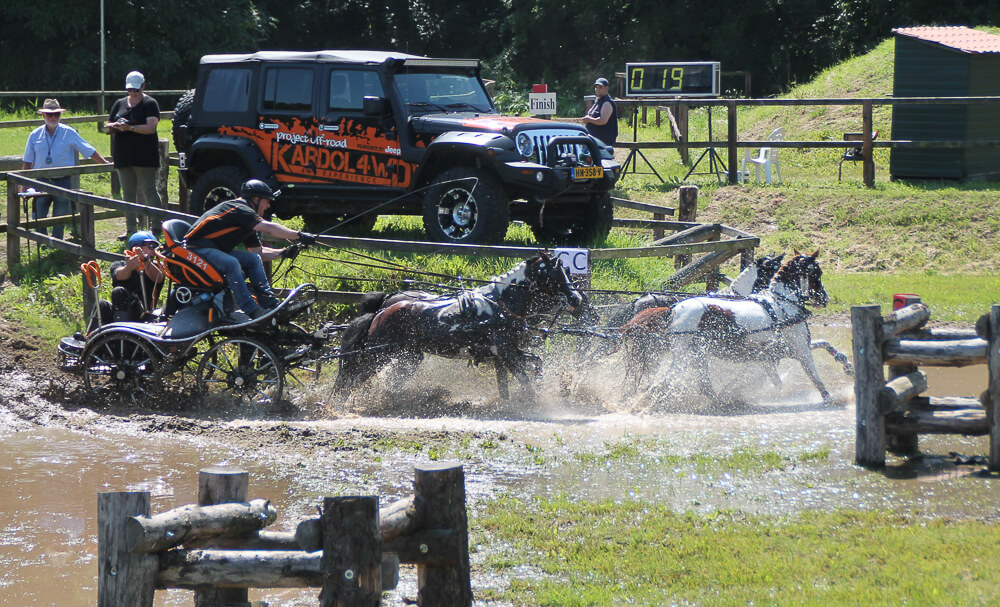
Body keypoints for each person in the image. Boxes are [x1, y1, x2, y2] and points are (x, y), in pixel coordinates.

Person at [184, 179, 317, 320]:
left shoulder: (246, 221)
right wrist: (298, 235)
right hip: (195, 249)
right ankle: (252, 310)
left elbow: (258, 252)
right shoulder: (240, 209)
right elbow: (269, 228)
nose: (268, 205)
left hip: (213, 250)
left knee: (253, 259)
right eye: (267, 201)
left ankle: (270, 304)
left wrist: (283, 252)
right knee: (232, 263)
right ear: (256, 199)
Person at [21, 98, 109, 240]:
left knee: (60, 216)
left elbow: (88, 150)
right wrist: (23, 187)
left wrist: (104, 163)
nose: (53, 117)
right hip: (41, 181)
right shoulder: (34, 135)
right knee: (38, 215)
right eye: (50, 114)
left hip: (63, 181)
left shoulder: (69, 132)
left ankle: (58, 244)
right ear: (43, 115)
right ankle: (42, 243)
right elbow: (27, 162)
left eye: (57, 114)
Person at [106, 71, 163, 236]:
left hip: (145, 155)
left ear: (143, 87)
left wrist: (130, 127)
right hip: (124, 155)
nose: (133, 93)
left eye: (136, 90)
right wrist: (116, 126)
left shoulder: (150, 103)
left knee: (149, 190)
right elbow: (108, 125)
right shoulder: (119, 103)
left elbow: (151, 127)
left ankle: (156, 228)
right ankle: (131, 229)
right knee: (127, 193)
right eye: (130, 90)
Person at [582, 77, 618, 148]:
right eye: (596, 87)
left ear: (607, 88)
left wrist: (589, 119)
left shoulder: (607, 103)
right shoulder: (598, 101)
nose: (598, 89)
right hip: (593, 142)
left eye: (600, 87)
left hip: (602, 143)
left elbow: (603, 121)